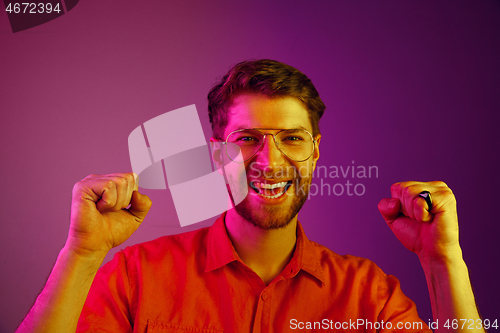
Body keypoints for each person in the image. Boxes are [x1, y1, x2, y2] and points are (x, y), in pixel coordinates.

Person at [17, 60, 483, 333]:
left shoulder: (371, 298)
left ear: (316, 152)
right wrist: (81, 254)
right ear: (218, 152)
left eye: (292, 139)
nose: (270, 161)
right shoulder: (136, 278)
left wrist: (443, 262)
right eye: (247, 139)